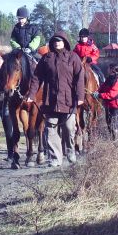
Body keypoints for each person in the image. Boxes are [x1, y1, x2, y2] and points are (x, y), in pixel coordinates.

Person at [30, 31, 84, 167]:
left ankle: (70, 150)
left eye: (59, 40)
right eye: (54, 41)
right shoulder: (46, 58)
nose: (57, 43)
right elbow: (37, 77)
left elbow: (79, 78)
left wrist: (80, 97)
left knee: (68, 127)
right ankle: (55, 158)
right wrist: (31, 95)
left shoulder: (73, 57)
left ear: (65, 42)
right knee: (51, 129)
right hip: (50, 100)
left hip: (68, 100)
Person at [93, 64, 118, 139]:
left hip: (116, 107)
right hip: (108, 106)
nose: (107, 70)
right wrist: (95, 92)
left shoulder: (117, 81)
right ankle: (113, 142)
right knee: (109, 125)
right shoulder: (109, 79)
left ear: (111, 70)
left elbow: (111, 95)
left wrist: (99, 95)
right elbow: (102, 87)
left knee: (115, 126)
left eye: (108, 69)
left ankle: (117, 144)